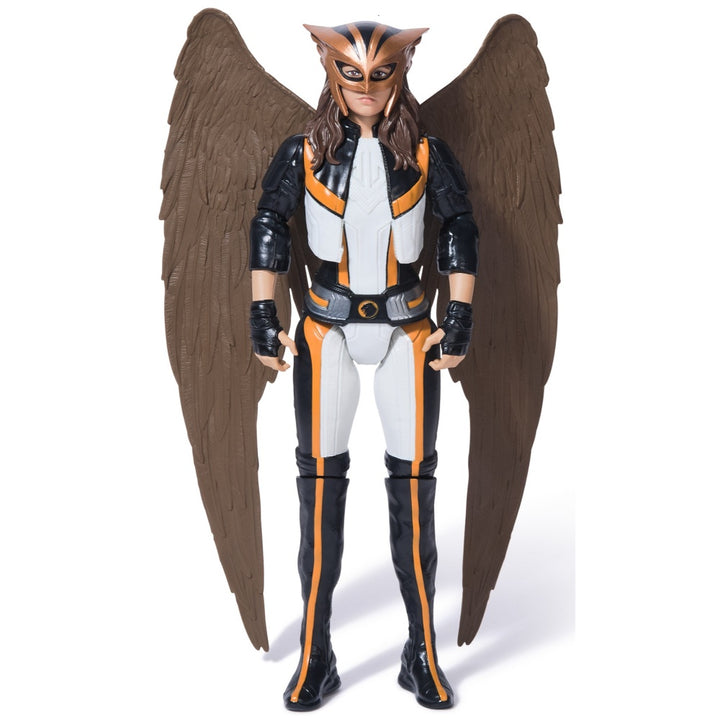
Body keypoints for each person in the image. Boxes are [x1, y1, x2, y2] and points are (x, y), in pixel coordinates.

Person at [248, 21, 479, 711]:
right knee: (319, 489)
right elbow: (268, 224)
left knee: (415, 487)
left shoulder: (428, 153)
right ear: (330, 69)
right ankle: (315, 653)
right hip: (327, 329)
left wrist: (460, 316)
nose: (368, 88)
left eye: (381, 74)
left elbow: (460, 229)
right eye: (354, 74)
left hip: (410, 328)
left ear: (402, 71)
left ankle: (421, 650)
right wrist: (262, 314)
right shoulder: (303, 153)